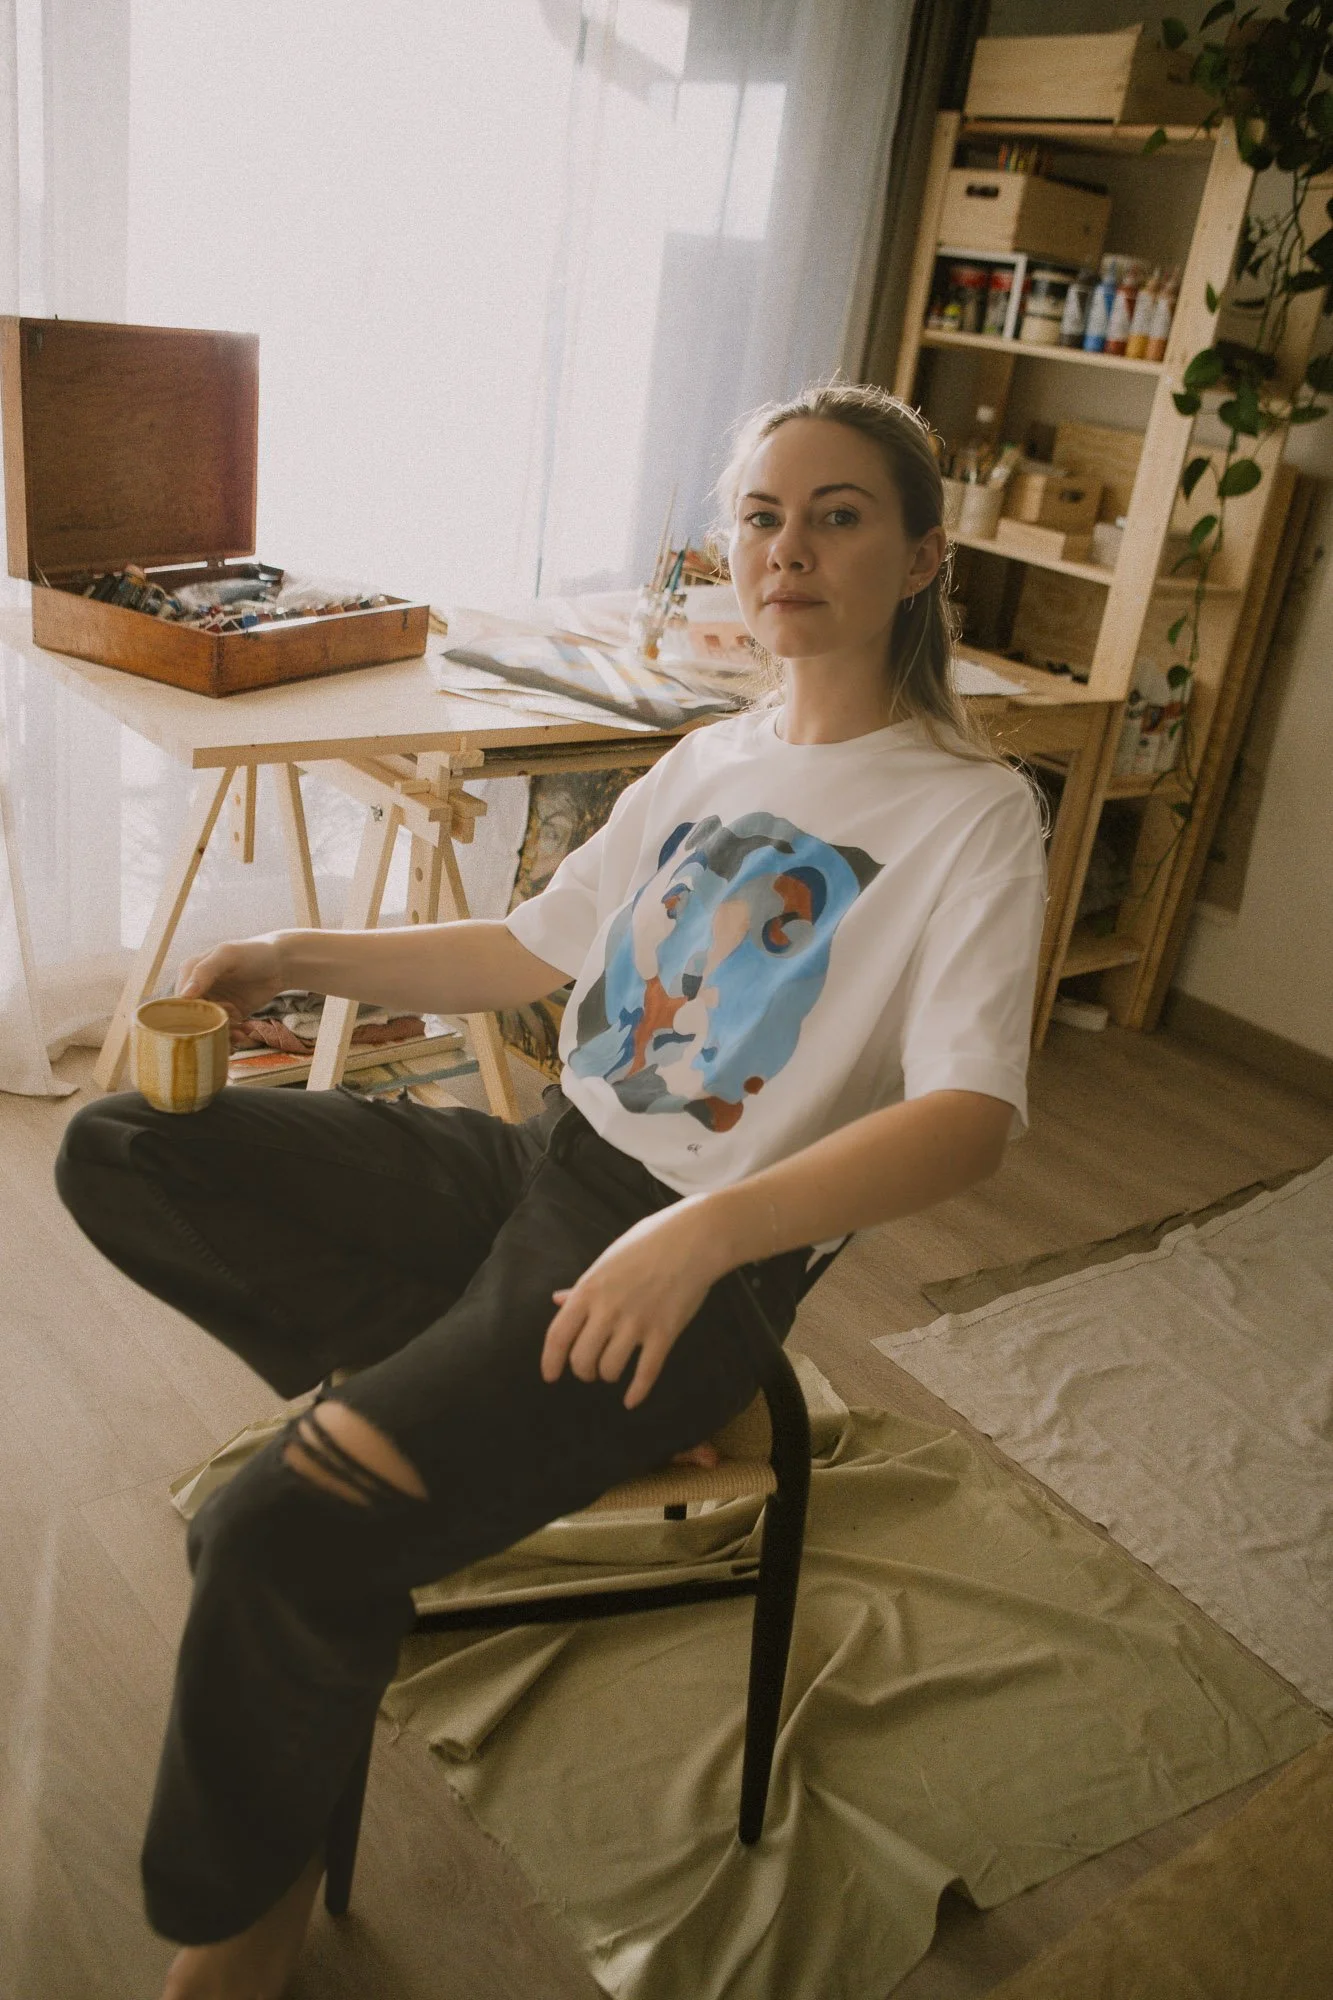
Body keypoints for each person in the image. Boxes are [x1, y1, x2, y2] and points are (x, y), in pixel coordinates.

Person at [56, 381, 1047, 2000]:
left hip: (691, 1255)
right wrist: (283, 955)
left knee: (273, 1536)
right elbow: (530, 951)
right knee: (122, 1148)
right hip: (538, 1165)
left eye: (839, 515)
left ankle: (240, 1946)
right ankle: (483, 1409)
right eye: (761, 515)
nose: (787, 547)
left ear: (926, 555)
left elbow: (973, 1119)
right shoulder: (709, 758)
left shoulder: (968, 814)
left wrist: (706, 1234)